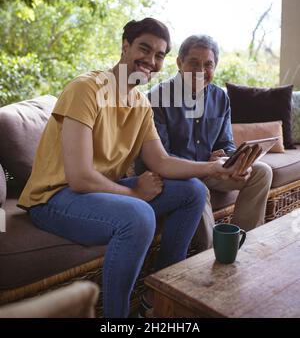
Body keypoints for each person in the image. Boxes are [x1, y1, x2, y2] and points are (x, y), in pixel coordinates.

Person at [18, 21, 253, 318]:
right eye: (144, 48)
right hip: (54, 198)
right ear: (125, 45)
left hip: (98, 194)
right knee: (138, 215)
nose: (151, 60)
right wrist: (134, 192)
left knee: (193, 191)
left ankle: (160, 299)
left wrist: (214, 168)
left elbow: (162, 161)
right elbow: (78, 177)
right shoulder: (85, 90)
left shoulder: (140, 103)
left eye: (159, 55)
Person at [146, 34, 273, 252]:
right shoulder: (157, 98)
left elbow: (226, 142)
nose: (201, 71)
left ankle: (243, 247)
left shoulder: (220, 98)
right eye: (194, 63)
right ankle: (212, 256)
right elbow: (161, 157)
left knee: (261, 172)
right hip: (177, 175)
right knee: (198, 189)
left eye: (208, 65)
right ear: (179, 63)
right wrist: (205, 165)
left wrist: (233, 160)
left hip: (211, 169)